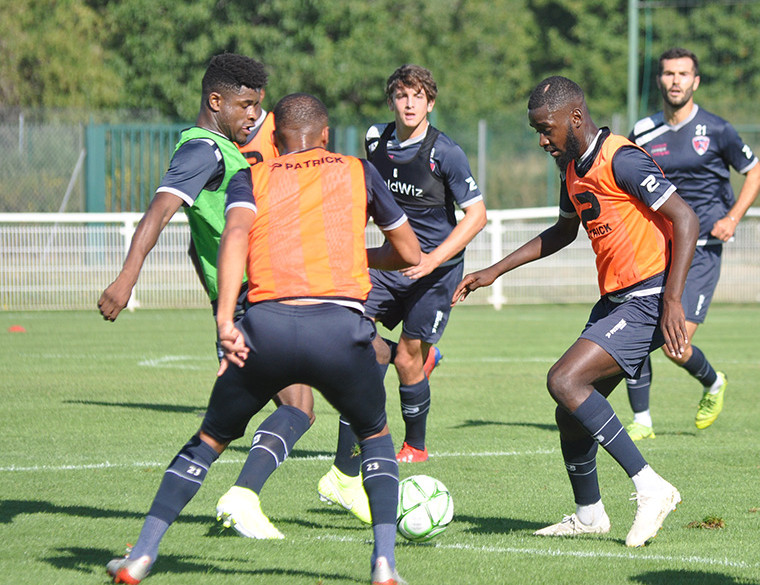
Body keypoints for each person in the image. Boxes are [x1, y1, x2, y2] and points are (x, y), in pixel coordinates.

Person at [105, 92, 421, 585]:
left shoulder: (249, 175)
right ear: (325, 136)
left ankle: (141, 555)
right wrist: (356, 258)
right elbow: (408, 252)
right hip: (339, 330)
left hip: (265, 327)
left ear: (273, 138)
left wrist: (227, 319)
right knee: (376, 437)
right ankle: (384, 566)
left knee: (208, 441)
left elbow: (233, 239)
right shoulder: (359, 170)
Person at [454, 75, 697, 546]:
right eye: (537, 131)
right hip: (615, 299)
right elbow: (564, 232)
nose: (542, 140)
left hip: (648, 296)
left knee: (564, 380)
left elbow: (685, 218)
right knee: (571, 410)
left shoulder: (621, 159)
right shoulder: (571, 167)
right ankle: (589, 515)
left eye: (547, 129)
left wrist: (672, 299)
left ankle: (652, 488)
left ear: (576, 118)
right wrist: (494, 271)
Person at [95, 54, 319, 540]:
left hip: (255, 300)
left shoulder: (223, 150)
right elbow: (160, 212)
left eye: (257, 107)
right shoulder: (204, 151)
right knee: (293, 407)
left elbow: (197, 241)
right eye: (245, 106)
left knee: (290, 406)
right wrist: (126, 279)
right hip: (252, 303)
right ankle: (240, 499)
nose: (252, 118)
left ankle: (229, 504)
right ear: (215, 101)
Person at [315, 65, 486, 523]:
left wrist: (431, 260)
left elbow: (476, 216)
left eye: (417, 96)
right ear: (392, 101)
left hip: (436, 271)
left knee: (409, 359)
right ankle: (403, 362)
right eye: (401, 95)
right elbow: (369, 193)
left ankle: (415, 445)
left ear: (430, 103)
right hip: (391, 264)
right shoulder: (375, 140)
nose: (409, 103)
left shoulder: (445, 153)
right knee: (349, 334)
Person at [624, 47, 760, 438]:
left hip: (702, 247)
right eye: (669, 74)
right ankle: (642, 421)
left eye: (683, 74)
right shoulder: (642, 132)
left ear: (695, 81)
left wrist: (732, 217)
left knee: (675, 342)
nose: (675, 81)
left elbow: (756, 174)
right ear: (659, 80)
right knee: (639, 327)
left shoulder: (718, 130)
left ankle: (713, 383)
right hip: (657, 247)